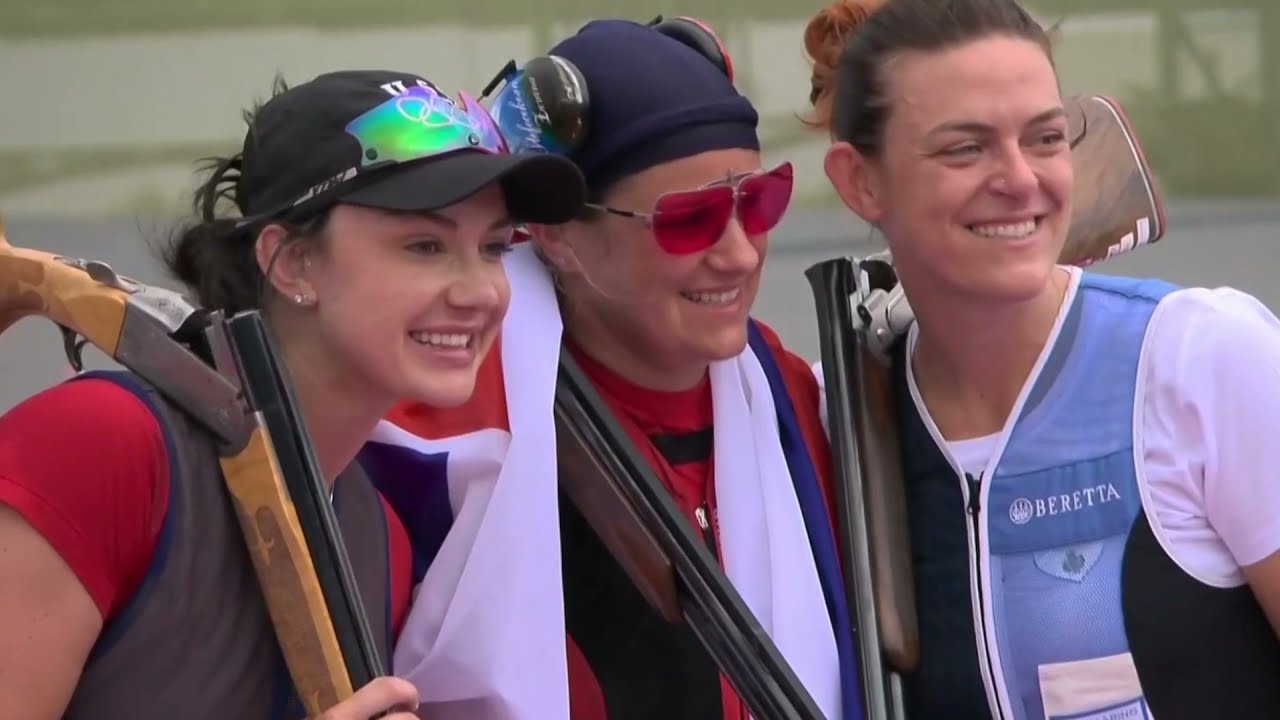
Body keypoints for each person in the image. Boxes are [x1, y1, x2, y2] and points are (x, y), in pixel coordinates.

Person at [0, 69, 586, 720]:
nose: (481, 292)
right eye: (425, 245)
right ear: (292, 263)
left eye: (494, 247)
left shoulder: (373, 532)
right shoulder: (97, 444)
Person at [360, 17, 861, 720]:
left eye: (760, 201)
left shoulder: (794, 396)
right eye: (689, 218)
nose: (742, 254)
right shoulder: (437, 430)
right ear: (556, 235)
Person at [803, 0, 1280, 718]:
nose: (1021, 179)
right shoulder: (836, 417)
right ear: (860, 181)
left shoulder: (1198, 357)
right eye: (965, 148)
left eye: (1046, 138)